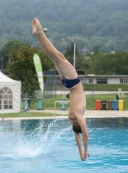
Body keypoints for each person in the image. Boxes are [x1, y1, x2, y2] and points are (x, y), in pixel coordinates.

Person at [32, 18, 90, 161]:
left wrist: (86, 151)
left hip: (74, 82)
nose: (85, 123)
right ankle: (38, 34)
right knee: (53, 57)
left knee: (58, 56)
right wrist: (81, 154)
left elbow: (84, 135)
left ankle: (39, 32)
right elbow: (77, 136)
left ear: (79, 124)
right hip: (67, 83)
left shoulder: (78, 116)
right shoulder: (72, 119)